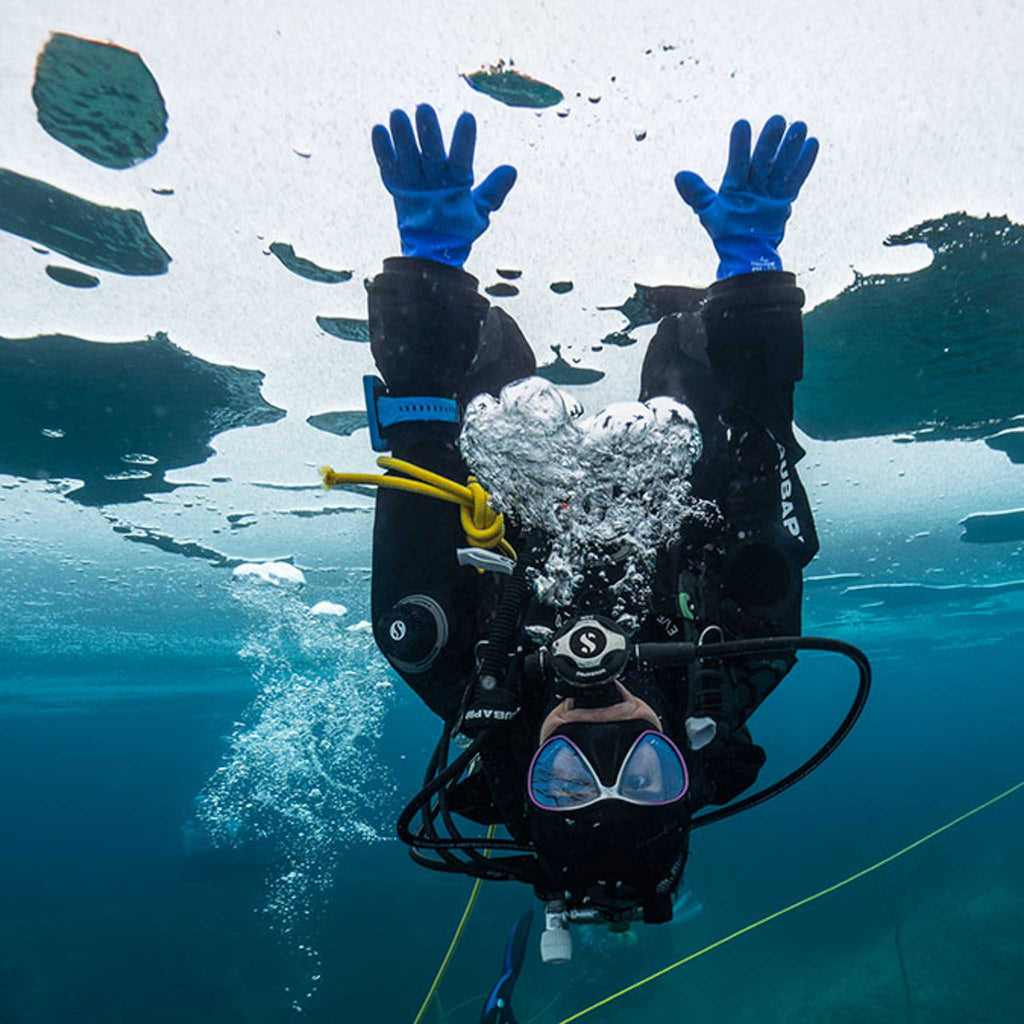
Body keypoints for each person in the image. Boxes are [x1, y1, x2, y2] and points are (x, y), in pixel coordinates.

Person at [363, 102, 825, 938]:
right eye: (645, 776)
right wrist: (756, 277)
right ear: (685, 767)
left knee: (484, 361)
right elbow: (759, 446)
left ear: (529, 778)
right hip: (669, 496)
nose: (602, 744)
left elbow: (418, 445)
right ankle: (699, 317)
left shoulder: (449, 669)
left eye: (569, 782)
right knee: (690, 358)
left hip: (516, 491)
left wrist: (428, 276)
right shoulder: (747, 664)